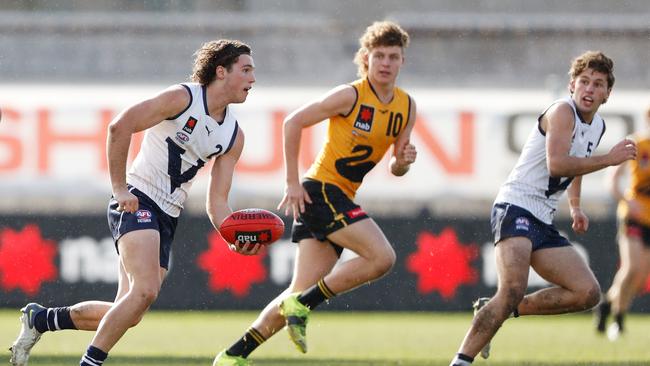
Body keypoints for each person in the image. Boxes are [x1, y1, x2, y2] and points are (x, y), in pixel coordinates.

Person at [9, 39, 260, 366]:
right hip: (137, 198)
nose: (253, 79)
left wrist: (234, 236)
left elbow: (218, 203)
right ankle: (90, 363)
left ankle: (42, 320)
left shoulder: (233, 137)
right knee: (145, 291)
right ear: (221, 71)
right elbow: (120, 126)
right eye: (246, 70)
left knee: (130, 311)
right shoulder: (182, 98)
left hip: (168, 215)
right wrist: (119, 187)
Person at [213, 20, 417, 365]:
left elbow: (397, 167)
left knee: (297, 290)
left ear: (402, 61)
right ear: (365, 58)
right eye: (379, 55)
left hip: (340, 197)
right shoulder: (350, 95)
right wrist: (292, 182)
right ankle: (304, 305)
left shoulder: (406, 107)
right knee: (382, 258)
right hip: (320, 191)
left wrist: (404, 162)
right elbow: (292, 122)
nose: (385, 63)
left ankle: (233, 355)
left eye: (393, 56)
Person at [450, 51, 637, 366]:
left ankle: (500, 309)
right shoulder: (562, 112)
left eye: (598, 84)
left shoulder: (598, 125)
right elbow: (558, 164)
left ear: (608, 93)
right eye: (584, 82)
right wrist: (609, 159)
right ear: (571, 86)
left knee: (587, 293)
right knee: (512, 287)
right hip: (516, 206)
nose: (589, 89)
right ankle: (460, 361)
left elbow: (577, 163)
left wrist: (575, 206)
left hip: (542, 218)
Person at [595, 105, 650, 341]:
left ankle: (607, 303)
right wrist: (627, 199)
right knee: (632, 268)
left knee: (638, 280)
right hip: (633, 215)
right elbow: (612, 181)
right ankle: (618, 319)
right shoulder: (637, 144)